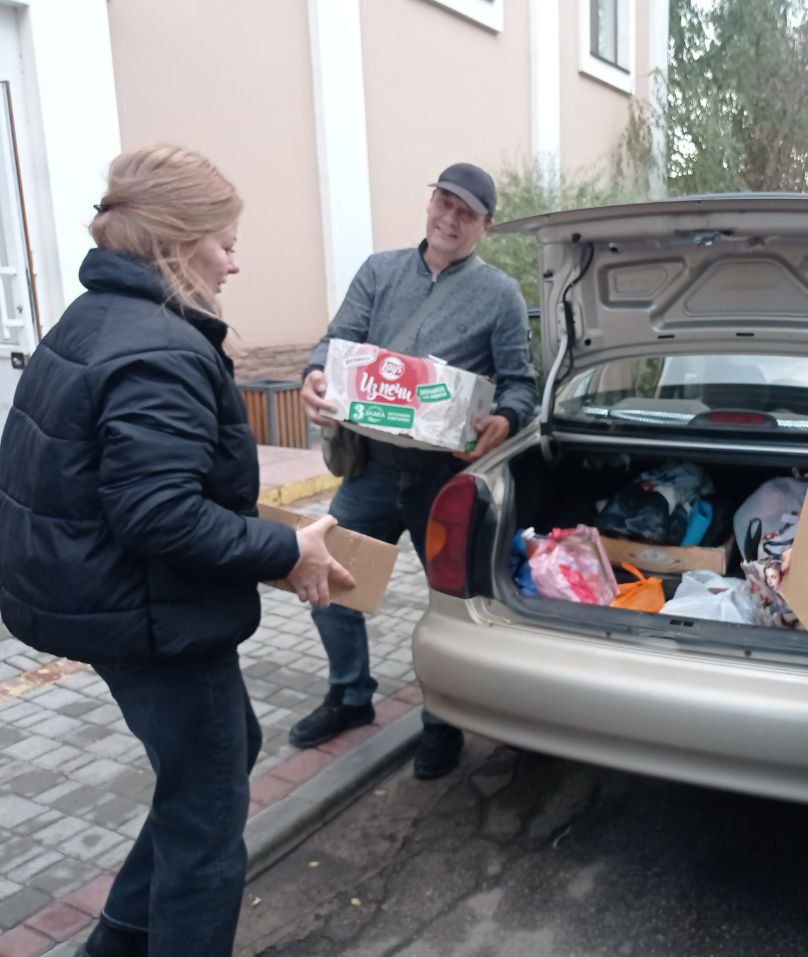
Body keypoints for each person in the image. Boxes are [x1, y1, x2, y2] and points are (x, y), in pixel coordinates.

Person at [0, 145, 353, 957]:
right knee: (205, 823)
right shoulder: (158, 347)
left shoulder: (96, 316)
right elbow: (159, 514)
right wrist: (282, 550)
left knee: (224, 757)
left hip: (94, 596)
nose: (236, 260)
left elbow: (128, 484)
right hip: (146, 615)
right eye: (224, 241)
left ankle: (116, 941)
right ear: (173, 242)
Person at [290, 162, 537, 780]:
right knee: (329, 578)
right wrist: (313, 376)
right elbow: (336, 343)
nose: (450, 219)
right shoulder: (379, 271)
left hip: (442, 482)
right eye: (443, 203)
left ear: (487, 225)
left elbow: (520, 385)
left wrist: (504, 419)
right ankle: (349, 695)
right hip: (371, 469)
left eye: (467, 212)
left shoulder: (500, 295)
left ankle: (442, 720)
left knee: (449, 606)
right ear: (431, 203)